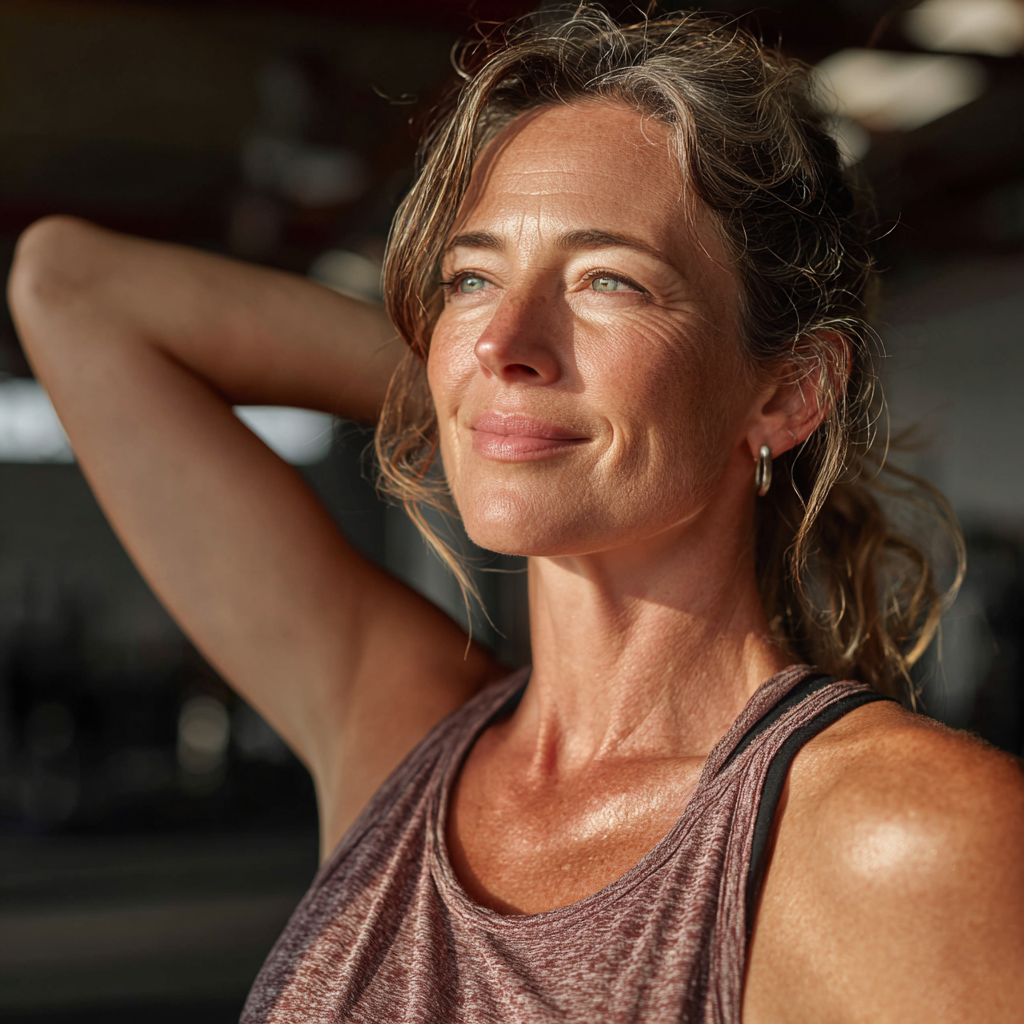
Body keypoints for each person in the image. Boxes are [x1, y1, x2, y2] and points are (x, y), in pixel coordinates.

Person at [9, 7, 1024, 1022]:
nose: (503, 337)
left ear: (788, 392)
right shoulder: (396, 729)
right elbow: (66, 285)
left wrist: (523, 406)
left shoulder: (905, 836)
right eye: (472, 278)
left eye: (608, 280)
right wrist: (473, 399)